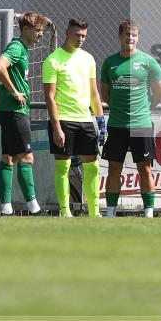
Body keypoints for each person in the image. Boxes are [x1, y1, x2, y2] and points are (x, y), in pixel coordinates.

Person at [100, 20, 161, 218]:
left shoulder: (149, 62)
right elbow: (105, 95)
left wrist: (144, 108)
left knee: (145, 169)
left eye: (134, 35)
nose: (130, 38)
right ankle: (110, 212)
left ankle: (149, 213)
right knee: (113, 168)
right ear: (120, 37)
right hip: (117, 124)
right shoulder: (110, 63)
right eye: (127, 34)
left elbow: (159, 93)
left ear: (139, 37)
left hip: (141, 124)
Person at [43, 18, 105, 218]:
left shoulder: (88, 59)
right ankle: (65, 211)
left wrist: (101, 121)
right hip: (64, 121)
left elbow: (94, 93)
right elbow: (49, 97)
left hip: (86, 120)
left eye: (84, 36)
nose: (81, 39)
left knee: (93, 167)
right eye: (77, 35)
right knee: (64, 166)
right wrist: (57, 128)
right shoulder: (53, 60)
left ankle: (95, 213)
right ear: (67, 33)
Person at [0, 12, 48, 216]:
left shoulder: (22, 48)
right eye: (37, 30)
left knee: (8, 158)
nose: (41, 34)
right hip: (15, 111)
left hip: (10, 111)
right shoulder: (16, 47)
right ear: (25, 29)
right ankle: (34, 208)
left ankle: (6, 208)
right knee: (27, 157)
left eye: (42, 30)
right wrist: (14, 91)